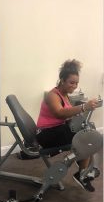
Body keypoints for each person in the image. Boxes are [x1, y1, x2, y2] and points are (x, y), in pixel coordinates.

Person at [36, 59, 99, 192]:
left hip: (57, 131)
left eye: (76, 83)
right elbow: (60, 113)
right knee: (86, 135)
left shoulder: (65, 95)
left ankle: (83, 170)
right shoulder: (52, 95)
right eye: (71, 82)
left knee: (88, 129)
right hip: (46, 135)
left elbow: (68, 115)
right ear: (62, 80)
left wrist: (80, 115)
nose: (74, 86)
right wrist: (83, 107)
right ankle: (82, 172)